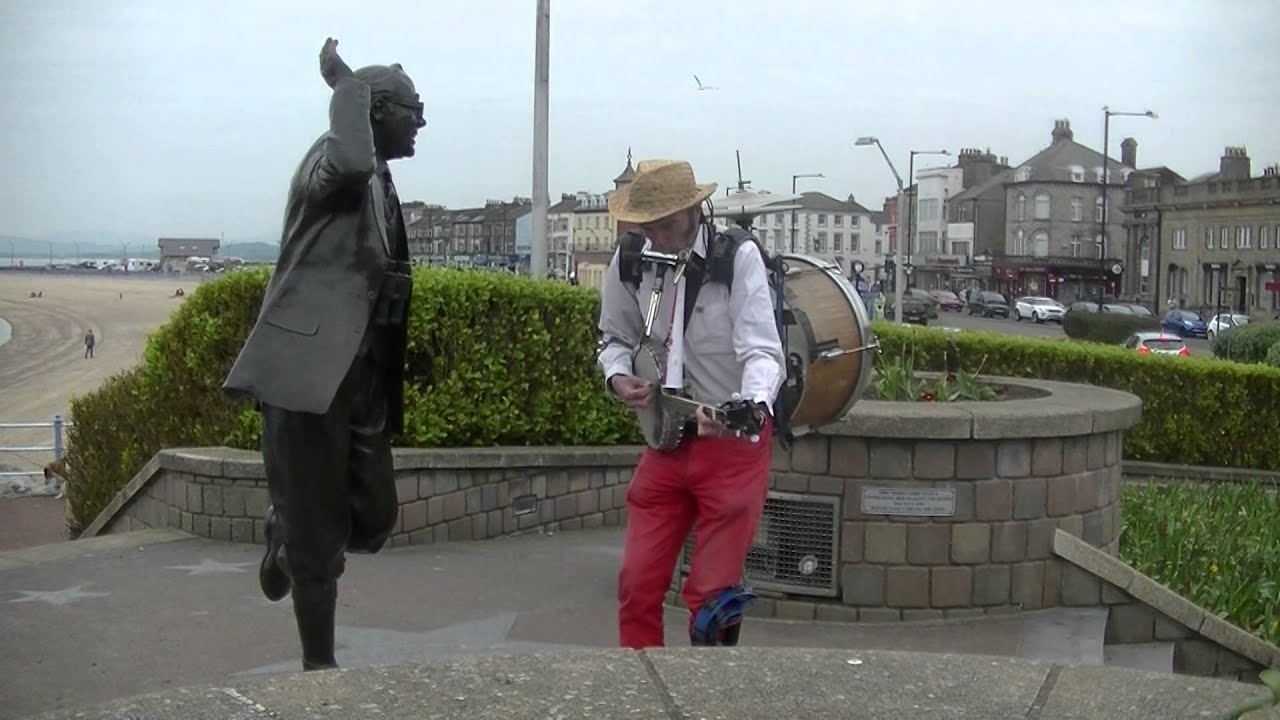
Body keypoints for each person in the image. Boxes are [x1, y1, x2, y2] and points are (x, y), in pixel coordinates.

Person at [221, 37, 425, 672]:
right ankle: (319, 671)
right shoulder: (331, 165)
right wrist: (346, 86)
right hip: (305, 377)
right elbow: (349, 161)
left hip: (360, 376)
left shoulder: (382, 183)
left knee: (376, 517)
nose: (421, 121)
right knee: (319, 547)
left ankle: (285, 532)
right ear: (375, 110)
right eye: (412, 108)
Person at [596, 159, 786, 650]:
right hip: (665, 439)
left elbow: (762, 350)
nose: (657, 235)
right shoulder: (630, 259)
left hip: (730, 441)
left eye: (667, 223)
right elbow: (613, 337)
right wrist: (618, 375)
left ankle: (707, 699)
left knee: (711, 601)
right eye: (648, 225)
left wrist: (750, 406)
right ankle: (642, 690)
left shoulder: (736, 257)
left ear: (693, 212)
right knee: (636, 586)